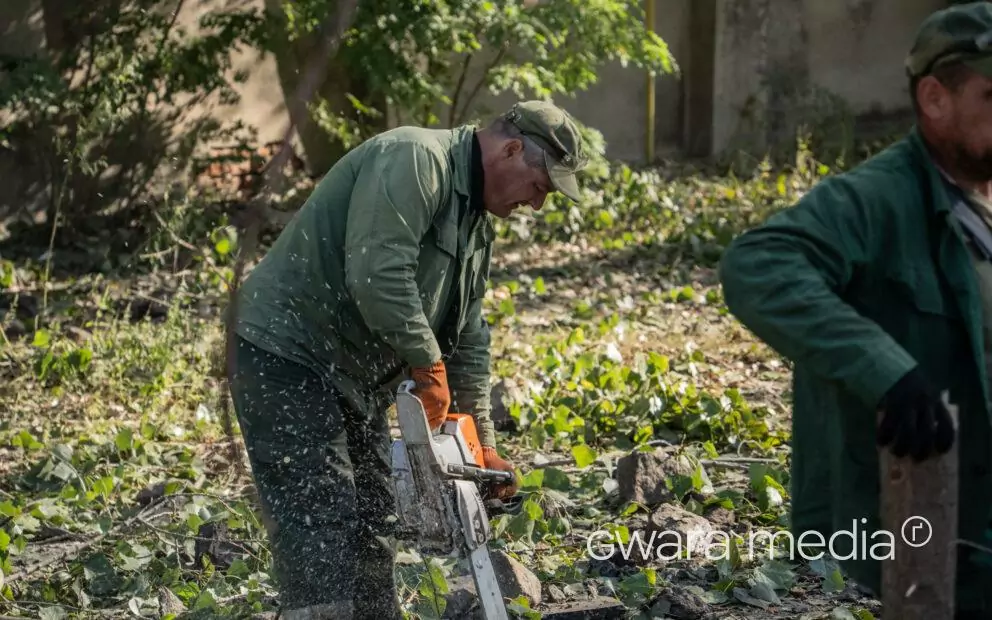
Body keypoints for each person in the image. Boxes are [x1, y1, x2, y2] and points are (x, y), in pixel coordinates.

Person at [226, 100, 588, 619]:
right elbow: (379, 274)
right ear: (510, 150)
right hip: (286, 351)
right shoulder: (415, 159)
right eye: (541, 186)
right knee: (320, 514)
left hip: (354, 374)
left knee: (375, 515)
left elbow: (469, 337)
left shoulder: (475, 223)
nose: (537, 203)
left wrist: (482, 444)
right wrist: (426, 363)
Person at [718, 3, 992, 617]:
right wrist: (888, 373)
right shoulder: (879, 198)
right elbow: (757, 266)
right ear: (935, 98)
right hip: (896, 536)